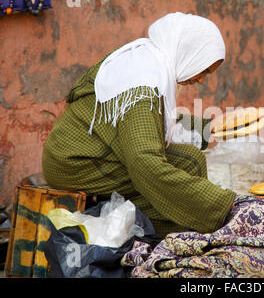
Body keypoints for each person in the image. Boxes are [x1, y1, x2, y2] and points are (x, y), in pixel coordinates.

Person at [42, 12, 236, 238]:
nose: (201, 79)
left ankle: (178, 225)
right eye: (204, 69)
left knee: (189, 160)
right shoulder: (143, 84)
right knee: (184, 168)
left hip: (91, 152)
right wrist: (219, 204)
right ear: (188, 52)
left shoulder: (146, 60)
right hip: (75, 163)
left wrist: (207, 128)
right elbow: (144, 161)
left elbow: (151, 122)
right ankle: (169, 235)